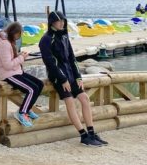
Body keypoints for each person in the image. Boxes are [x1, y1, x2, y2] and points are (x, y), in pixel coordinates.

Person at [38, 11, 107, 147]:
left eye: (63, 21)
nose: (62, 23)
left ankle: (91, 133)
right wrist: (62, 79)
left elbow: (72, 58)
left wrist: (78, 76)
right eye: (59, 21)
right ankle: (83, 135)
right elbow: (50, 63)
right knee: (70, 102)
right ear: (52, 22)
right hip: (58, 76)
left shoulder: (64, 36)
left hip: (70, 73)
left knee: (84, 99)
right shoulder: (46, 39)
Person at [0, 22, 42, 128]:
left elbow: (10, 59)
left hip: (15, 71)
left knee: (40, 84)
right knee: (32, 89)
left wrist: (19, 55)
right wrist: (21, 58)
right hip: (8, 74)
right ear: (14, 33)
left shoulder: (9, 42)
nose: (19, 37)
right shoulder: (4, 44)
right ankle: (22, 113)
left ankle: (27, 109)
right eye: (19, 34)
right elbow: (7, 65)